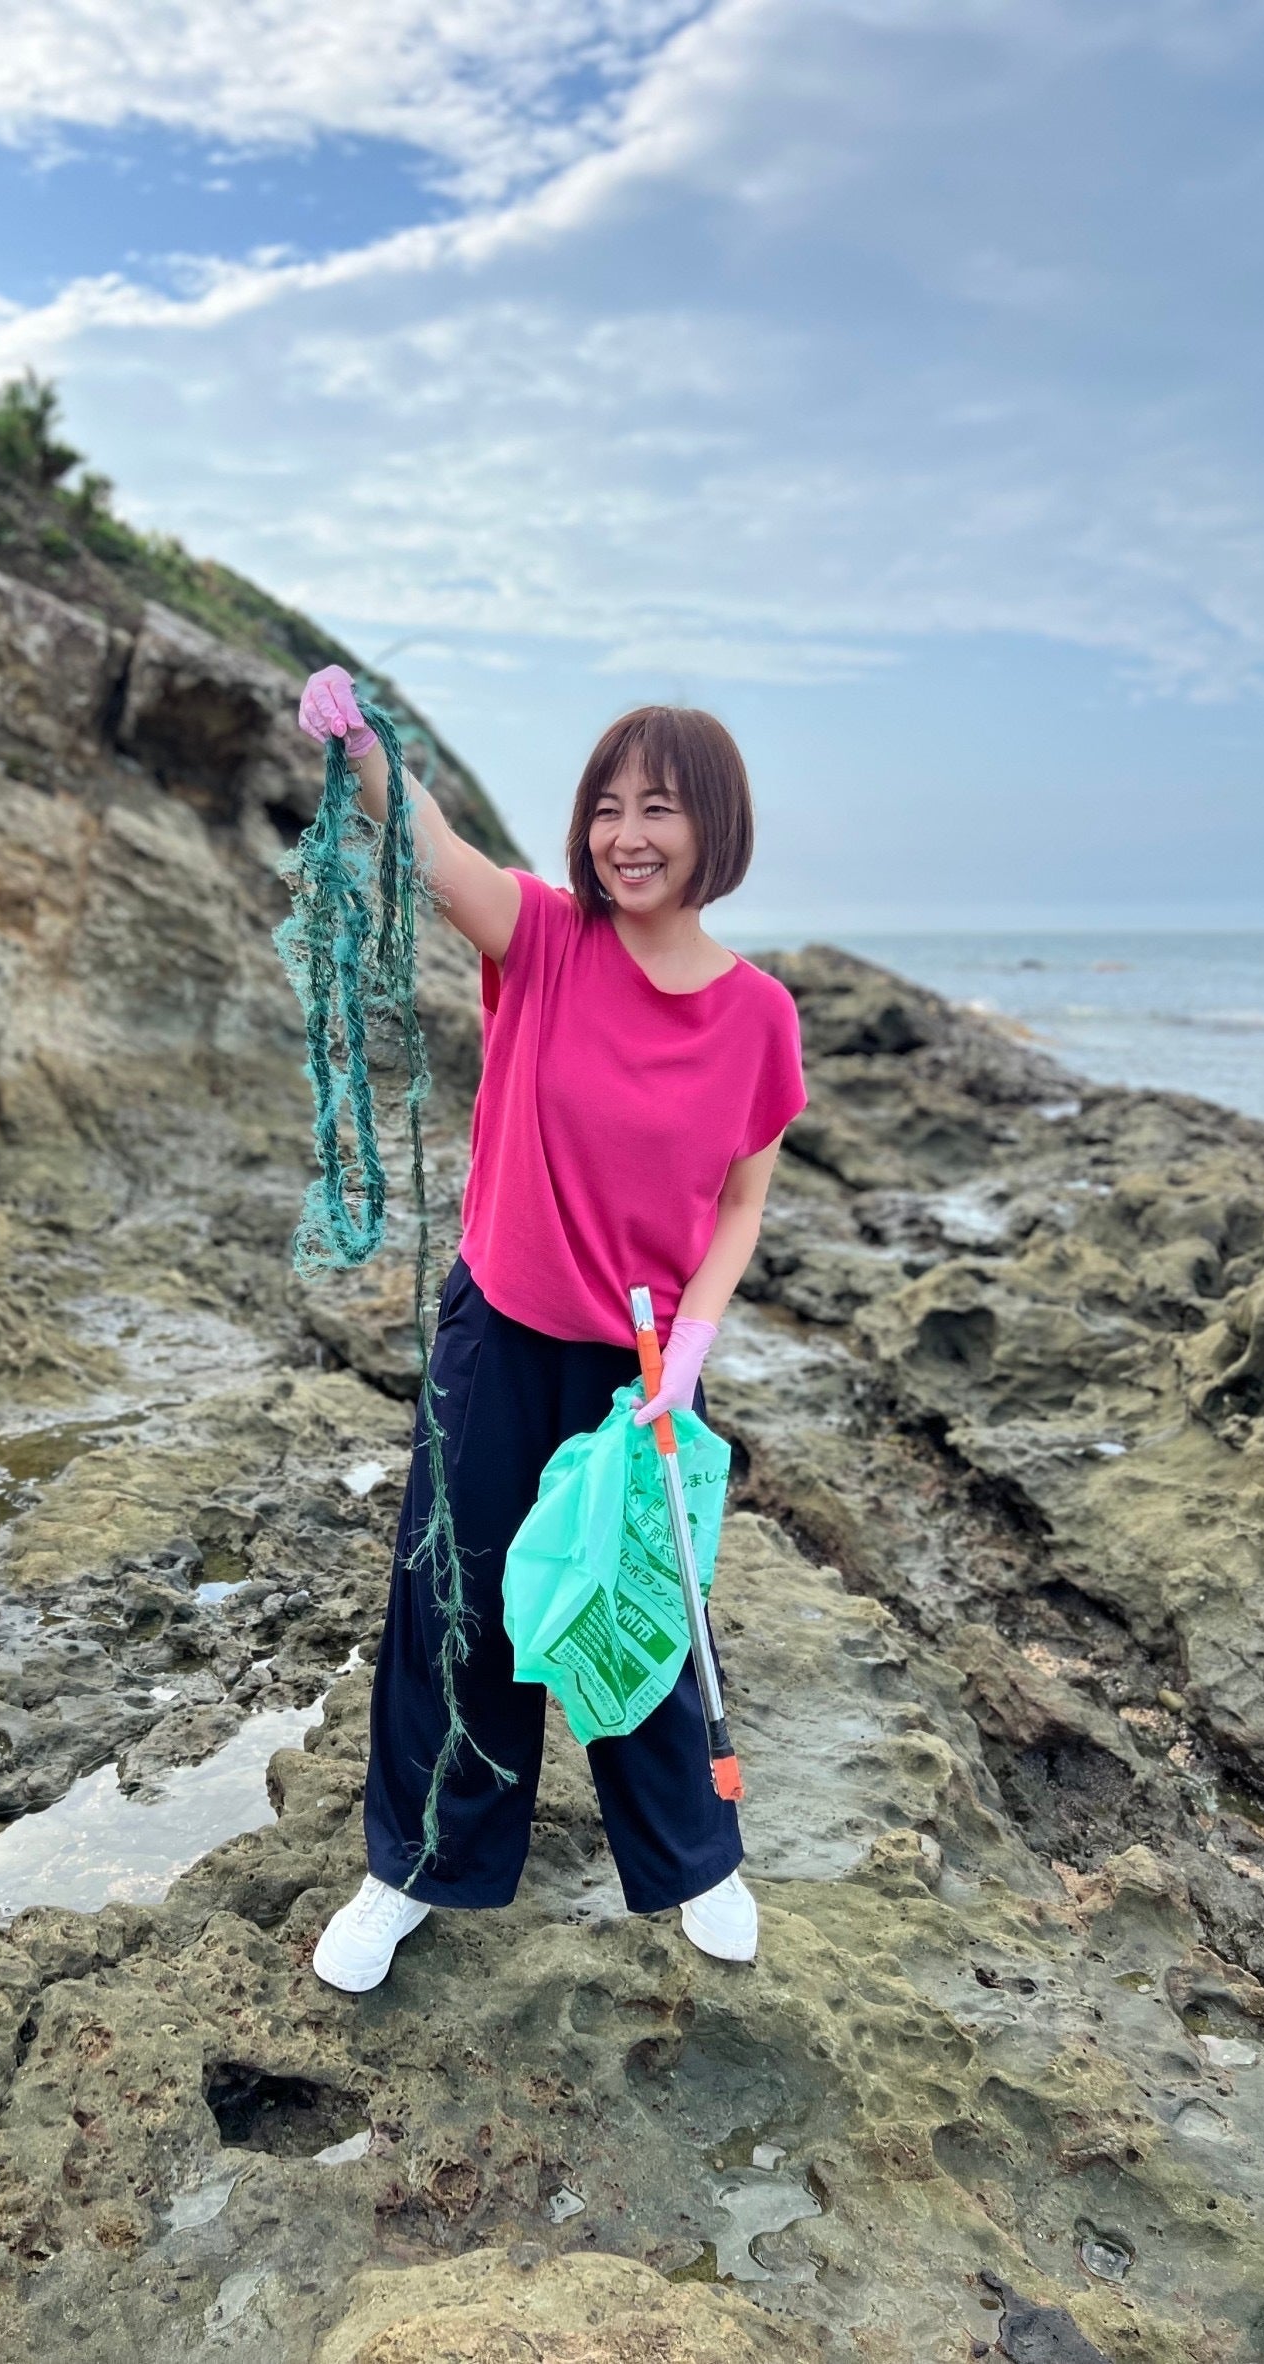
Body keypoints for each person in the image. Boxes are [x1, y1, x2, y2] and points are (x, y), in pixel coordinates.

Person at [294, 668, 806, 1992]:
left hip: (642, 1366)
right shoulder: (545, 938)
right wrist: (361, 744)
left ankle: (696, 1861)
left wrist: (691, 1354)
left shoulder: (758, 1015)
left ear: (715, 827)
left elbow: (743, 1203)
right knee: (455, 1605)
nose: (626, 835)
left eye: (660, 808)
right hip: (499, 1334)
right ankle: (412, 1869)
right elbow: (432, 846)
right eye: (607, 808)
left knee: (643, 1606)